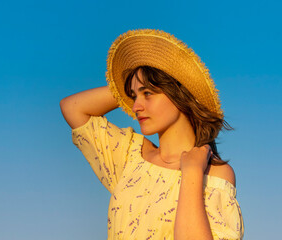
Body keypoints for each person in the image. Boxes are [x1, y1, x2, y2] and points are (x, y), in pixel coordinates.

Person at [60, 29, 244, 239]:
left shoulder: (214, 175)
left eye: (148, 93)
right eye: (133, 95)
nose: (135, 106)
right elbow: (73, 108)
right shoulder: (130, 156)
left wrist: (192, 172)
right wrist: (128, 87)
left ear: (179, 95)